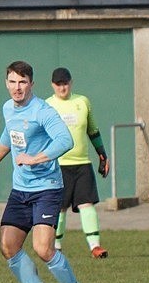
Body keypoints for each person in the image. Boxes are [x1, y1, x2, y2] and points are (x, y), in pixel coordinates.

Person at [0, 60, 88, 283]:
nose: (17, 87)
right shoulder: (8, 108)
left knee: (43, 249)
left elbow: (65, 140)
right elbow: (9, 136)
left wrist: (36, 158)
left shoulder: (42, 111)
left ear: (31, 84)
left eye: (23, 82)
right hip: (20, 190)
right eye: (13, 82)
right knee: (8, 246)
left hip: (47, 188)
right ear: (6, 83)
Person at [45, 67, 109, 258]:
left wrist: (102, 154)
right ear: (52, 85)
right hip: (57, 165)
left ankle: (95, 247)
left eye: (65, 83)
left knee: (87, 204)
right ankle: (56, 247)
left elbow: (93, 131)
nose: (62, 88)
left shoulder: (82, 102)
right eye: (58, 84)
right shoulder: (46, 106)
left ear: (71, 83)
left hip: (82, 164)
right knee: (60, 208)